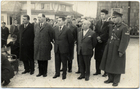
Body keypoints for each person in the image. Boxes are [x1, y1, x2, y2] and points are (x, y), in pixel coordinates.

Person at [100, 11, 130, 86]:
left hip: (117, 48)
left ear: (120, 18)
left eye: (115, 17)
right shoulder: (112, 26)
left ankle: (116, 80)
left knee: (117, 64)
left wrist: (121, 50)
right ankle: (110, 78)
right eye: (112, 18)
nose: (113, 19)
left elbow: (125, 40)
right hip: (110, 47)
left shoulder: (124, 27)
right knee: (109, 62)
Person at [94, 9, 109, 77]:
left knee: (104, 57)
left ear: (106, 15)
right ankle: (98, 70)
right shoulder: (98, 22)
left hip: (104, 43)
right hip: (98, 43)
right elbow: (96, 31)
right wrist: (97, 37)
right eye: (101, 14)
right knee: (97, 57)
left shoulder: (109, 23)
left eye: (103, 14)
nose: (101, 16)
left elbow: (108, 33)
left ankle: (105, 72)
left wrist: (101, 38)